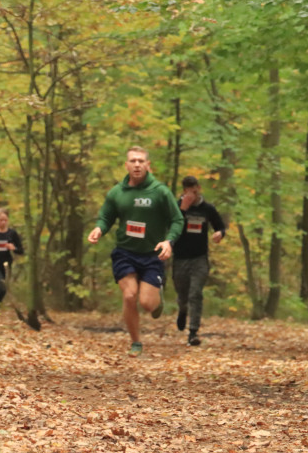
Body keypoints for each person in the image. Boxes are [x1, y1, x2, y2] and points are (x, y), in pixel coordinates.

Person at [87, 146, 184, 357]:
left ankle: (157, 296)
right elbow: (106, 217)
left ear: (148, 165)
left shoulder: (160, 192)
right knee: (129, 295)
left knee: (147, 303)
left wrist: (169, 241)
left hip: (152, 253)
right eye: (133, 161)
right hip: (125, 252)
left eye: (141, 161)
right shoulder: (116, 192)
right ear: (126, 165)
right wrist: (99, 229)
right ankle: (136, 342)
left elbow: (177, 220)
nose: (137, 164)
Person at [172, 175, 227, 346]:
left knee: (195, 293)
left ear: (198, 188)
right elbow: (171, 226)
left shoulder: (207, 208)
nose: (192, 193)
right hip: (180, 258)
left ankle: (193, 332)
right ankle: (182, 310)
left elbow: (220, 225)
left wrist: (220, 233)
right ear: (184, 190)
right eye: (188, 190)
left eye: (194, 190)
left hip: (199, 258)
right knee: (183, 295)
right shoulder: (175, 206)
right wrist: (183, 209)